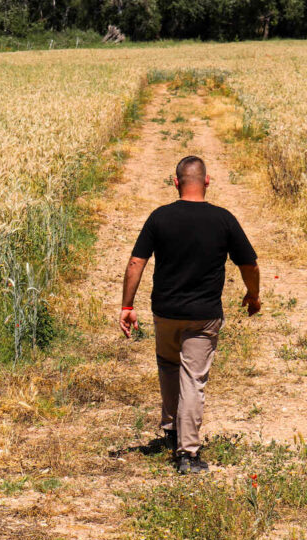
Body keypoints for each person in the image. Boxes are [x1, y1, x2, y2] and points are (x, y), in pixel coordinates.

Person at [119, 155, 261, 475]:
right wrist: (253, 294)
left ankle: (171, 430)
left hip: (166, 312)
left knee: (169, 368)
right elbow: (249, 264)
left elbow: (135, 263)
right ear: (207, 181)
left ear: (176, 182)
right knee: (193, 379)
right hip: (203, 315)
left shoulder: (159, 217)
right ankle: (188, 453)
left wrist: (127, 306)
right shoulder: (223, 219)